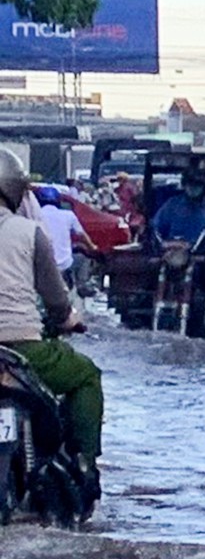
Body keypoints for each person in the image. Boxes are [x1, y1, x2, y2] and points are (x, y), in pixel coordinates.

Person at [0, 162, 99, 488]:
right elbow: (57, 303)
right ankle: (85, 465)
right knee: (86, 376)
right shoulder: (29, 232)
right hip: (24, 348)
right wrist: (69, 320)